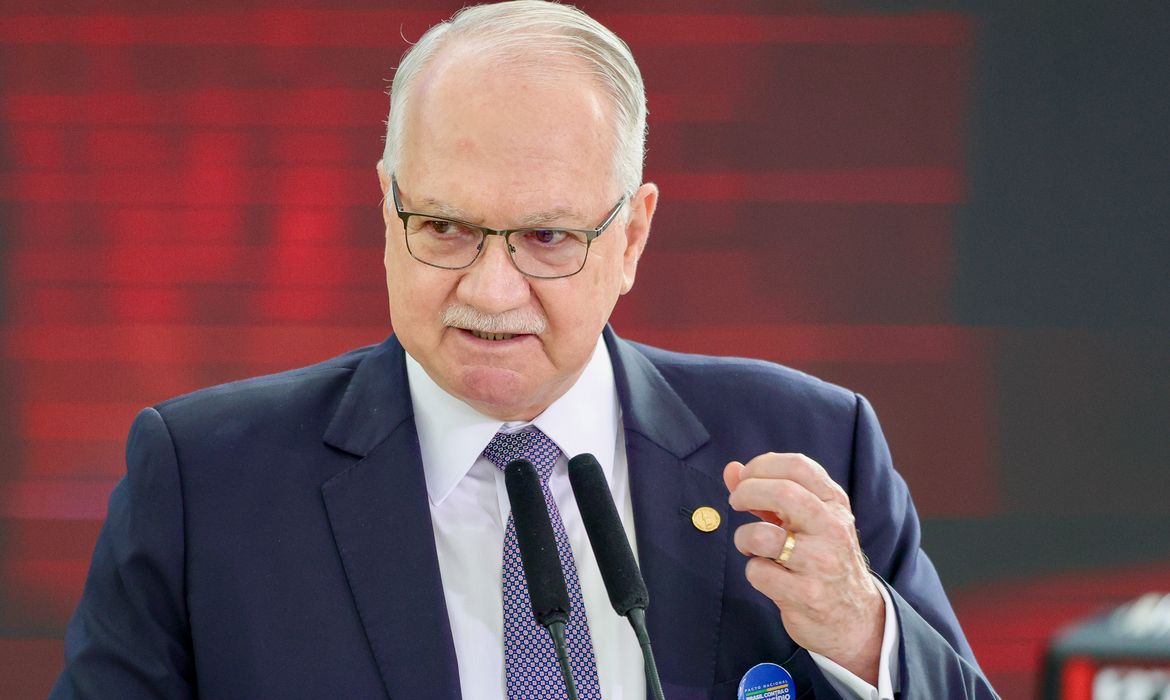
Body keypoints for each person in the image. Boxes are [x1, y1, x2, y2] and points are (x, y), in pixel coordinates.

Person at [51, 1, 997, 698]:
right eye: (447, 228)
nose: (490, 291)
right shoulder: (207, 481)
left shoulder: (811, 442)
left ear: (630, 238)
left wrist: (864, 634)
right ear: (387, 209)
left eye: (547, 239)